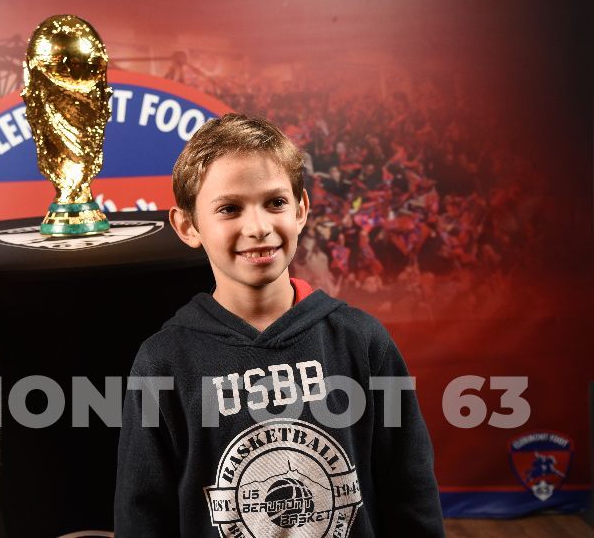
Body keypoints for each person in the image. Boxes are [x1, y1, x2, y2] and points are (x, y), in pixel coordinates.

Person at [114, 113, 443, 537]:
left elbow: (411, 492)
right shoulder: (163, 362)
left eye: (275, 202)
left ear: (301, 208)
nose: (258, 227)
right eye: (229, 208)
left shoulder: (363, 342)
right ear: (188, 226)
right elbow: (141, 516)